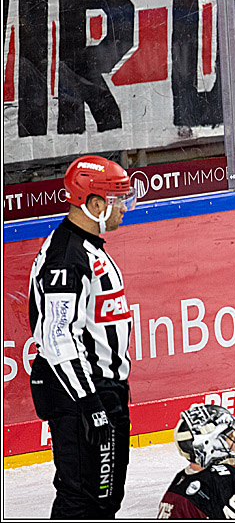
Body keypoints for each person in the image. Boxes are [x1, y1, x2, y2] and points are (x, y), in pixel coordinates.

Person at [28, 155, 137, 518]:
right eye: (118, 199)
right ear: (95, 204)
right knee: (81, 500)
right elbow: (57, 338)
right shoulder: (67, 257)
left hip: (103, 391)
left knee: (105, 499)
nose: (124, 207)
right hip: (80, 394)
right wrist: (90, 403)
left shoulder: (88, 247)